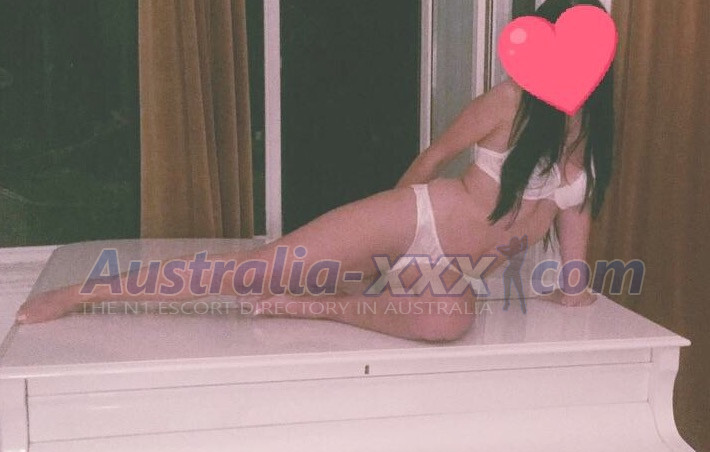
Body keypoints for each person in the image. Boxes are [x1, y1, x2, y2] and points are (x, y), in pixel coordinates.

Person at [16, 0, 613, 343]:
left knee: (452, 320)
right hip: (416, 221)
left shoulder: (592, 136)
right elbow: (433, 159)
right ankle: (82, 293)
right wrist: (383, 227)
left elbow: (574, 223)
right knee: (252, 271)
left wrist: (573, 285)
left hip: (450, 274)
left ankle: (319, 304)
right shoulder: (509, 101)